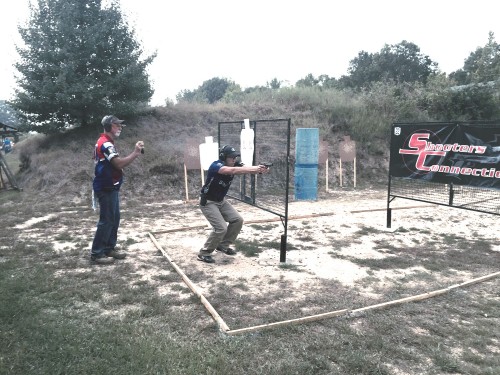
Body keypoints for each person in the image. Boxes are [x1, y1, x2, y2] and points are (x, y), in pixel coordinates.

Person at [198, 145, 270, 263]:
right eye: (231, 157)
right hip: (208, 202)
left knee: (237, 220)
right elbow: (232, 171)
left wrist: (261, 169)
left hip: (220, 201)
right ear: (223, 157)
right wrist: (255, 169)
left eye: (235, 157)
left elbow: (245, 167)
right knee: (221, 228)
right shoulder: (216, 165)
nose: (234, 159)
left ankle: (222, 245)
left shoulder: (235, 164)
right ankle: (204, 252)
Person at [90, 115, 144, 265]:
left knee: (114, 218)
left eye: (120, 125)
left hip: (110, 186)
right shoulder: (105, 144)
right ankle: (97, 254)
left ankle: (108, 248)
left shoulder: (106, 142)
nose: (120, 127)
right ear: (109, 126)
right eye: (117, 125)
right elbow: (118, 164)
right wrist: (135, 153)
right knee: (106, 220)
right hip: (105, 186)